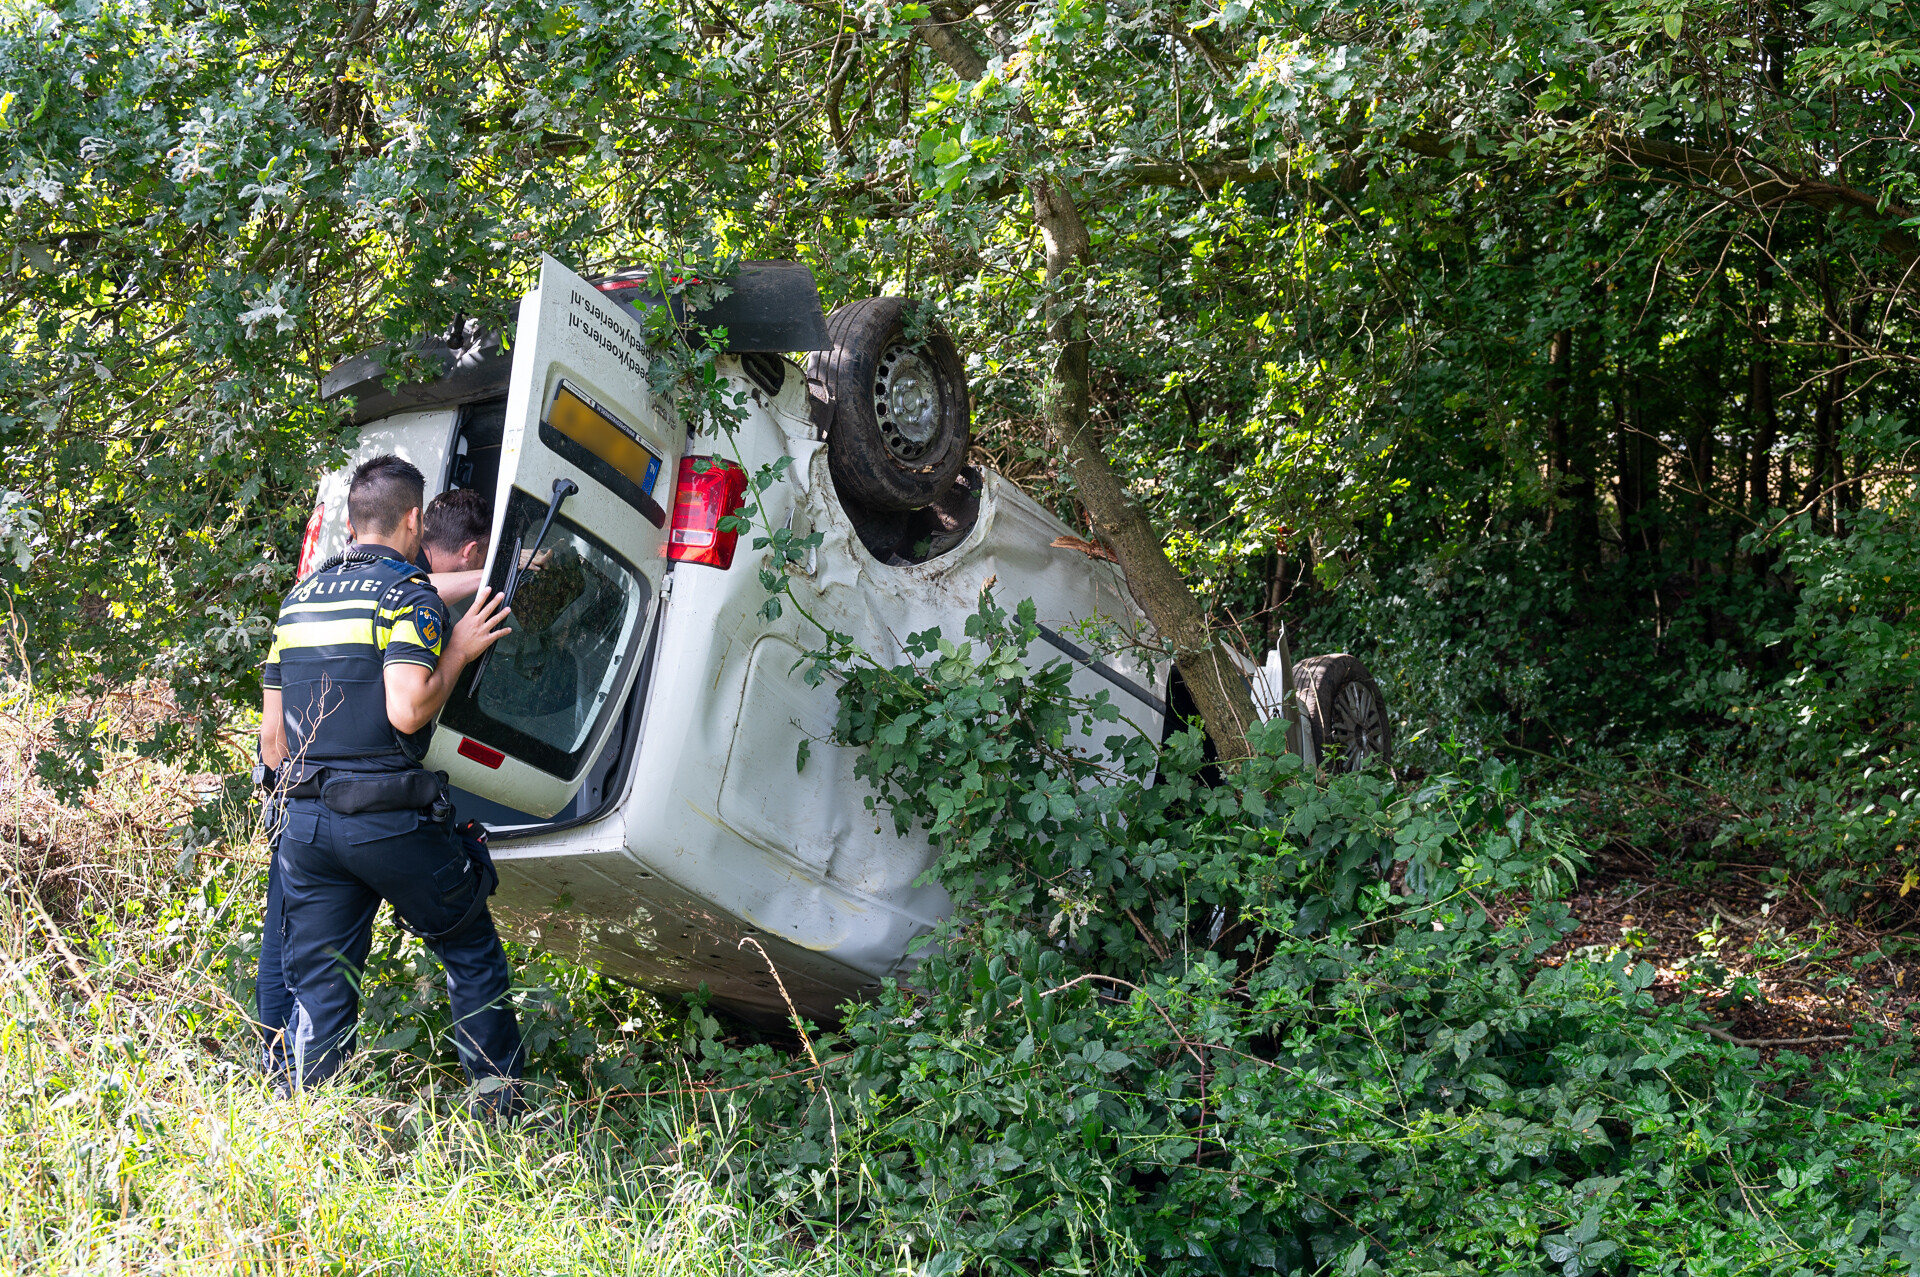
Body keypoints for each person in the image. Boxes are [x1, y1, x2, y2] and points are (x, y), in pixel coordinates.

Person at [258, 454, 523, 1104]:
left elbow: (273, 742)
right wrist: (458, 648)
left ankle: (308, 1135)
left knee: (322, 990)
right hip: (390, 820)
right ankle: (504, 1115)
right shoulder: (407, 595)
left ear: (350, 523)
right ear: (412, 519)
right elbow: (407, 707)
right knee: (469, 950)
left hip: (309, 828)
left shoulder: (296, 605)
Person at [421, 487, 492, 603]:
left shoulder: (398, 553)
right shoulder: (410, 588)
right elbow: (416, 591)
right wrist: (493, 572)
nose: (484, 563)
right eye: (486, 556)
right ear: (470, 551)